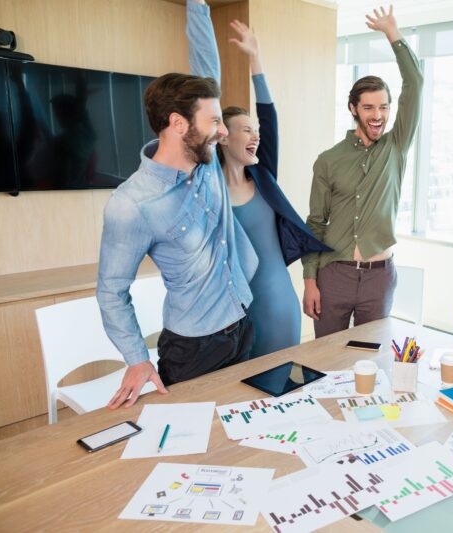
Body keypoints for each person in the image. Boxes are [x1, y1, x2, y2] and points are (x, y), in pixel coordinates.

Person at [97, 0, 258, 408]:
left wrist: (199, 6)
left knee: (242, 437)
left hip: (242, 322)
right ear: (177, 123)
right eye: (214, 122)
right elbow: (112, 291)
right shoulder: (131, 203)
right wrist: (136, 358)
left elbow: (208, 66)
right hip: (194, 349)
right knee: (196, 454)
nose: (223, 132)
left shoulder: (204, 164)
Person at [203, 18, 331, 357]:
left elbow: (270, 119)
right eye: (245, 130)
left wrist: (255, 59)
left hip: (278, 302)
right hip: (234, 311)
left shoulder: (263, 176)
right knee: (243, 392)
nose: (255, 135)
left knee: (281, 387)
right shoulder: (209, 189)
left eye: (253, 129)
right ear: (223, 137)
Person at [302, 5, 423, 338]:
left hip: (378, 278)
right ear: (353, 108)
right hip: (333, 275)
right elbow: (315, 224)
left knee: (370, 361)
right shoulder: (328, 160)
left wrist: (393, 34)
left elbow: (415, 84)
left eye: (384, 106)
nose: (378, 114)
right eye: (369, 107)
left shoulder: (396, 147)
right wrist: (310, 281)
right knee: (326, 364)